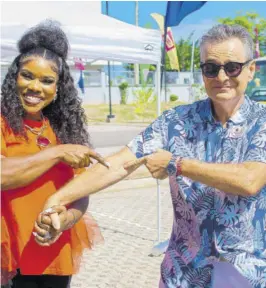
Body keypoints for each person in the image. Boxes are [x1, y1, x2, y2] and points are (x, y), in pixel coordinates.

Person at [38, 24, 266, 287]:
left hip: (248, 273)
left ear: (251, 70)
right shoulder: (177, 120)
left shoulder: (261, 123)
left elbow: (250, 180)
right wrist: (58, 198)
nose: (221, 76)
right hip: (186, 272)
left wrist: (177, 164)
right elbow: (120, 163)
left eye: (232, 67)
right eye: (211, 68)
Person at [1, 21, 108, 288]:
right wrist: (57, 153)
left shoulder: (64, 128)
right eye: (27, 76)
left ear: (58, 87)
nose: (36, 87)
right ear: (14, 76)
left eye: (47, 80)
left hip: (55, 250)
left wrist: (66, 220)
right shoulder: (3, 123)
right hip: (9, 254)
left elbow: (80, 192)